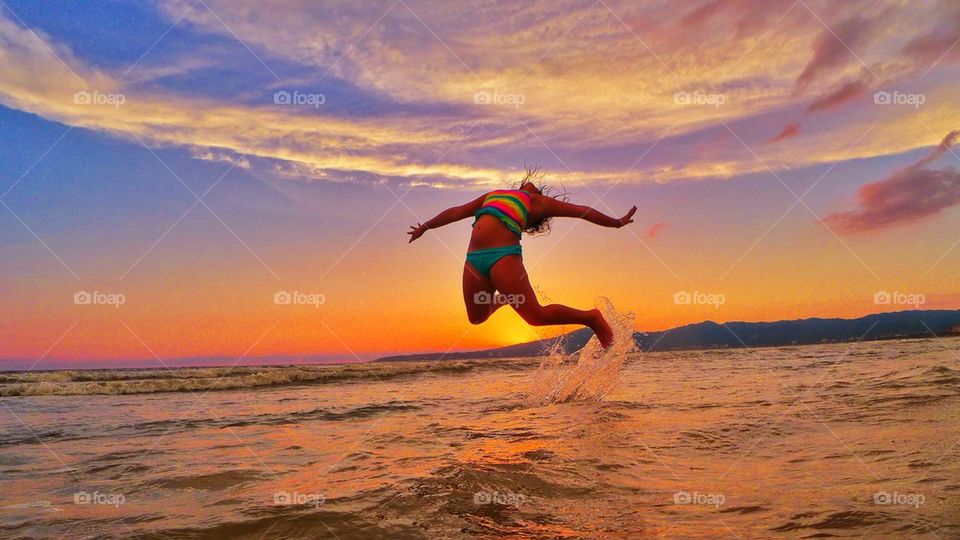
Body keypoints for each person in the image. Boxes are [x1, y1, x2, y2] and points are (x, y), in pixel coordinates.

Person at [408, 167, 636, 348]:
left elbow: (582, 211)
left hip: (504, 257)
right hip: (474, 260)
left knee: (535, 316)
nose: (535, 186)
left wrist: (615, 223)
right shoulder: (493, 194)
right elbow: (457, 211)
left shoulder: (539, 203)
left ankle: (591, 318)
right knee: (476, 318)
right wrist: (426, 227)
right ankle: (506, 298)